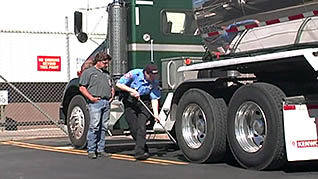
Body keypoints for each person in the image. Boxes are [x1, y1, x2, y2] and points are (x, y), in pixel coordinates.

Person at [116, 63, 161, 160]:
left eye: (155, 75)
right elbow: (119, 84)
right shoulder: (135, 73)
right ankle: (144, 147)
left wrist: (156, 114)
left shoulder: (155, 82)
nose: (153, 78)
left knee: (141, 127)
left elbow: (154, 98)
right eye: (152, 75)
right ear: (146, 73)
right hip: (130, 101)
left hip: (144, 102)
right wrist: (131, 90)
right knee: (133, 127)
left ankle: (139, 152)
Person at [79, 51, 114, 159]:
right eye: (104, 62)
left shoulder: (106, 74)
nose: (106, 65)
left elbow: (111, 85)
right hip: (95, 102)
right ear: (98, 62)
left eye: (107, 63)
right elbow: (82, 87)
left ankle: (101, 149)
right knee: (94, 126)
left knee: (104, 127)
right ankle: (91, 150)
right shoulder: (88, 72)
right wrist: (91, 98)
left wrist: (112, 95)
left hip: (106, 102)